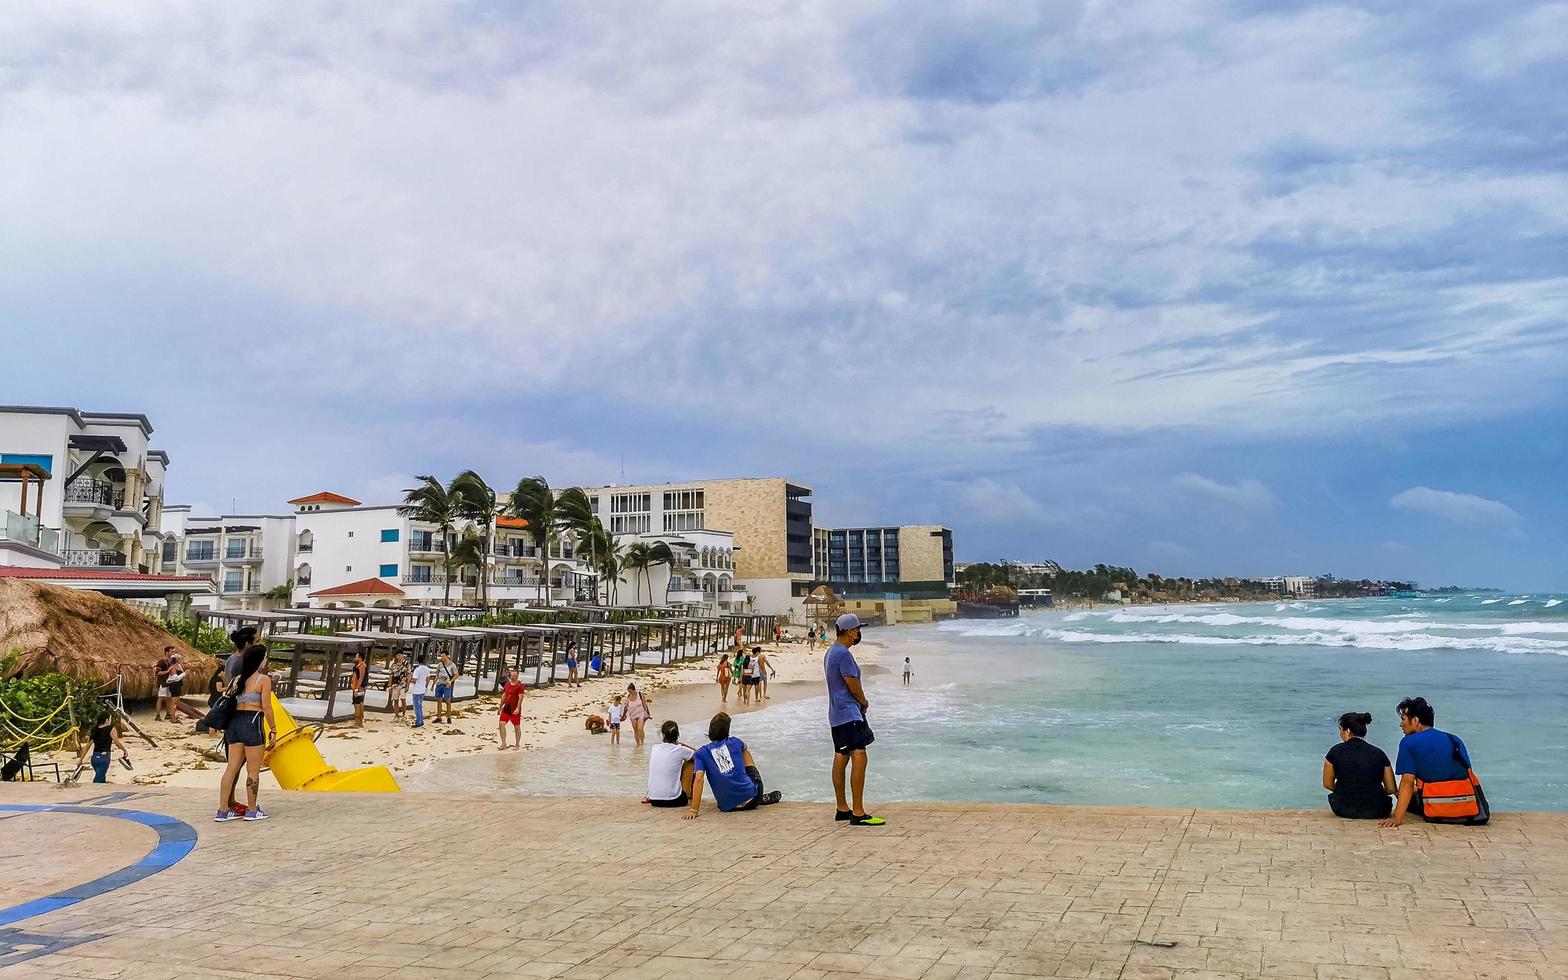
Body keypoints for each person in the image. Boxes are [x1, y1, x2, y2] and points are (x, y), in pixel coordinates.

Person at [1381, 697, 1486, 828]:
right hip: (1467, 807)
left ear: (1415, 721)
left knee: (1401, 792)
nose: (1401, 724)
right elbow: (1464, 772)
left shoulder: (1408, 742)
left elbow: (1407, 782)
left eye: (1403, 719)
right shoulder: (1454, 739)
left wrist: (1397, 817)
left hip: (1437, 809)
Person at [826, 613, 883, 825]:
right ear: (850, 632)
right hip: (849, 713)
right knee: (859, 755)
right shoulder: (844, 655)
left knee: (841, 756)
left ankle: (842, 807)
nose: (859, 633)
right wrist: (864, 702)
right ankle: (858, 812)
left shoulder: (831, 652)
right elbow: (852, 685)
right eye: (858, 630)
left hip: (836, 714)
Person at [216, 644, 277, 822]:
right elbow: (266, 707)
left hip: (234, 724)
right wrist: (273, 729)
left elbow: (227, 701)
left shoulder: (236, 679)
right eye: (265, 657)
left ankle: (223, 810)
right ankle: (251, 810)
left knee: (231, 768)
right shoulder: (263, 680)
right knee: (253, 771)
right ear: (259, 660)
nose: (266, 660)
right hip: (252, 724)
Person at [684, 711, 782, 818]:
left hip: (727, 806)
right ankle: (756, 793)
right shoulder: (736, 742)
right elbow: (744, 747)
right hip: (752, 799)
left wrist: (694, 809)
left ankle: (739, 793)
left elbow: (699, 779)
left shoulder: (701, 753)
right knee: (745, 750)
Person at [1323, 711, 1395, 820]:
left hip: (1343, 808)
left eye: (1340, 730)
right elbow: (1391, 788)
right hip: (1376, 810)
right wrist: (1370, 792)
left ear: (1347, 731)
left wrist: (1346, 790)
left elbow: (1327, 784)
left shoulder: (1334, 752)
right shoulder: (1379, 754)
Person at [644, 720, 696, 807]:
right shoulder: (680, 749)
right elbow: (699, 755)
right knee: (691, 761)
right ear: (677, 735)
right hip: (674, 800)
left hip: (654, 800)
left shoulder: (655, 748)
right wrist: (683, 745)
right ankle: (688, 794)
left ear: (663, 735)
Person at [77, 711, 129, 784]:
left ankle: (102, 791)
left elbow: (87, 746)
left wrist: (81, 759)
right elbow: (117, 742)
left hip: (94, 758)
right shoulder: (111, 729)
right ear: (107, 720)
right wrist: (124, 750)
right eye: (110, 718)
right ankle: (93, 793)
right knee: (98, 781)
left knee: (101, 777)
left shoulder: (94, 730)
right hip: (104, 758)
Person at [498, 668, 526, 749]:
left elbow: (521, 698)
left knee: (516, 727)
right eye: (511, 675)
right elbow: (504, 696)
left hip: (515, 709)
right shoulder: (507, 684)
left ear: (517, 676)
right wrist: (500, 706)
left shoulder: (519, 686)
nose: (512, 677)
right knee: (501, 724)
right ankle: (503, 744)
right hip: (506, 708)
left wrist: (518, 708)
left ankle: (517, 744)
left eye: (514, 676)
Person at [623, 682, 651, 746]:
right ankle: (638, 745)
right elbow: (626, 707)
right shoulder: (629, 696)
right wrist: (624, 715)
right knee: (635, 730)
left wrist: (647, 713)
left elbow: (644, 704)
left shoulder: (640, 694)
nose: (629, 693)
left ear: (633, 690)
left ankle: (642, 743)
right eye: (628, 691)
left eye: (630, 691)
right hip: (632, 715)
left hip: (641, 713)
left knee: (640, 728)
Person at [434, 650, 458, 724]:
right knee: (438, 700)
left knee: (447, 700)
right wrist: (434, 683)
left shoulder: (452, 665)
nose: (442, 658)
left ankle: (449, 717)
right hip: (439, 684)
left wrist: (450, 681)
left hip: (447, 684)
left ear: (447, 656)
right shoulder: (440, 665)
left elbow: (456, 674)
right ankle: (439, 717)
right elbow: (437, 674)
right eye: (441, 656)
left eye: (443, 656)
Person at [154, 647, 177, 722]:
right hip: (163, 683)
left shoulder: (172, 661)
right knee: (160, 698)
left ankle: (168, 714)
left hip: (169, 683)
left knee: (169, 698)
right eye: (171, 651)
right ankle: (158, 715)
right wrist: (167, 671)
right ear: (167, 652)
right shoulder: (162, 662)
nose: (172, 653)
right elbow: (157, 673)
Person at [388, 653, 410, 724]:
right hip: (395, 685)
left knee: (403, 699)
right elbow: (391, 675)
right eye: (397, 655)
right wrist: (389, 685)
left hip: (403, 684)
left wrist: (407, 685)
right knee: (395, 700)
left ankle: (403, 716)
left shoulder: (407, 664)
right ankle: (396, 716)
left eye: (400, 655)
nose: (399, 657)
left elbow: (409, 675)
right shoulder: (393, 665)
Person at [410, 653, 431, 728]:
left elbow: (414, 680)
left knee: (417, 707)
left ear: (417, 661)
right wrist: (425, 685)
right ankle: (421, 720)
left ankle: (419, 721)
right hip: (422, 689)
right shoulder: (427, 669)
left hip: (416, 690)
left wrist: (408, 679)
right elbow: (428, 678)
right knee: (420, 705)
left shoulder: (417, 670)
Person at [350, 649, 369, 729]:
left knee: (358, 703)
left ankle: (358, 721)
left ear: (360, 658)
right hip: (357, 686)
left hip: (359, 687)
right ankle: (359, 721)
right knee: (358, 702)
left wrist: (357, 688)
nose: (355, 658)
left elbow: (361, 678)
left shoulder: (361, 666)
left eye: (357, 657)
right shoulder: (358, 666)